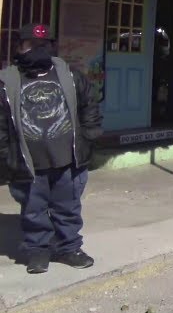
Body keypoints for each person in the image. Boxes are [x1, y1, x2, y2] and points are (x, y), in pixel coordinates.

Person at [0, 23, 103, 274]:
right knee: (33, 209)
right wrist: (5, 154)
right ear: (20, 47)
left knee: (67, 207)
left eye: (43, 45)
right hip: (29, 162)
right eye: (32, 45)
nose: (38, 50)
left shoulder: (69, 75)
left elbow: (90, 105)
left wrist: (89, 136)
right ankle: (38, 251)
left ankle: (69, 248)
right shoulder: (7, 81)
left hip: (67, 160)